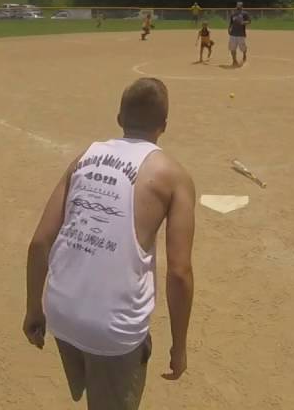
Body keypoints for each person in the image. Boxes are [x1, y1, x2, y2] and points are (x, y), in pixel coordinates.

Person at [24, 78, 195, 410]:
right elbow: (179, 271)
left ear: (119, 118)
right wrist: (179, 346)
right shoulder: (174, 175)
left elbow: (39, 242)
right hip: (114, 329)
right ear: (164, 125)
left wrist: (34, 307)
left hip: (60, 311)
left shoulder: (84, 157)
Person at [228, 2, 250, 67]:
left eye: (239, 6)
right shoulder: (233, 14)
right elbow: (231, 23)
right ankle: (234, 61)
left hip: (241, 34)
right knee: (232, 48)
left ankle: (244, 55)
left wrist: (244, 22)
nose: (238, 7)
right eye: (237, 5)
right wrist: (229, 28)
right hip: (233, 34)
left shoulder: (245, 13)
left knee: (243, 48)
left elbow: (249, 21)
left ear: (242, 6)